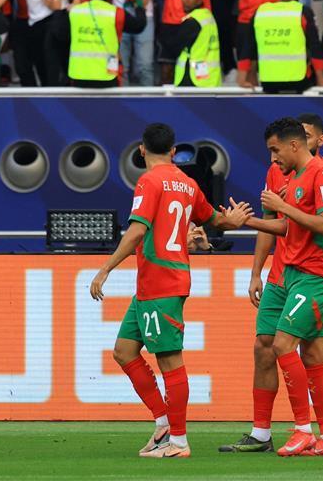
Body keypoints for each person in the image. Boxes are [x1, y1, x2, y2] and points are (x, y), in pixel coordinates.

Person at [88, 123, 247, 459]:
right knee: (124, 351)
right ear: (173, 151)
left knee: (170, 361)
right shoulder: (187, 183)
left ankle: (179, 441)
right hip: (152, 284)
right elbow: (212, 218)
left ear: (141, 150)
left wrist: (105, 268)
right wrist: (231, 221)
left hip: (162, 281)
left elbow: (136, 231)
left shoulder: (149, 181)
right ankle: (163, 424)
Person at [231, 117, 323, 457]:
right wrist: (247, 221)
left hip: (319, 275)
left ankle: (303, 430)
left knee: (283, 345)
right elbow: (289, 228)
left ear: (294, 145)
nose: (273, 158)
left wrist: (282, 206)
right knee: (311, 352)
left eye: (275, 150)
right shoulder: (296, 177)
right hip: (293, 274)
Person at [244, 0, 323, 93]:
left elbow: (250, 47)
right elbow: (315, 46)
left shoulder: (261, 12)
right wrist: (321, 78)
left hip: (268, 82)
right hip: (299, 81)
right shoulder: (302, 11)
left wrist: (250, 76)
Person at [67, 0, 147, 89]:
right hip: (107, 76)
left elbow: (60, 34)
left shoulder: (75, 12)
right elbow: (139, 25)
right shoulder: (116, 13)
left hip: (79, 75)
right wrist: (140, 7)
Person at [173, 0, 220, 88]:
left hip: (191, 77)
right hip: (208, 77)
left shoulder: (192, 21)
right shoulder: (208, 16)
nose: (185, 0)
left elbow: (175, 47)